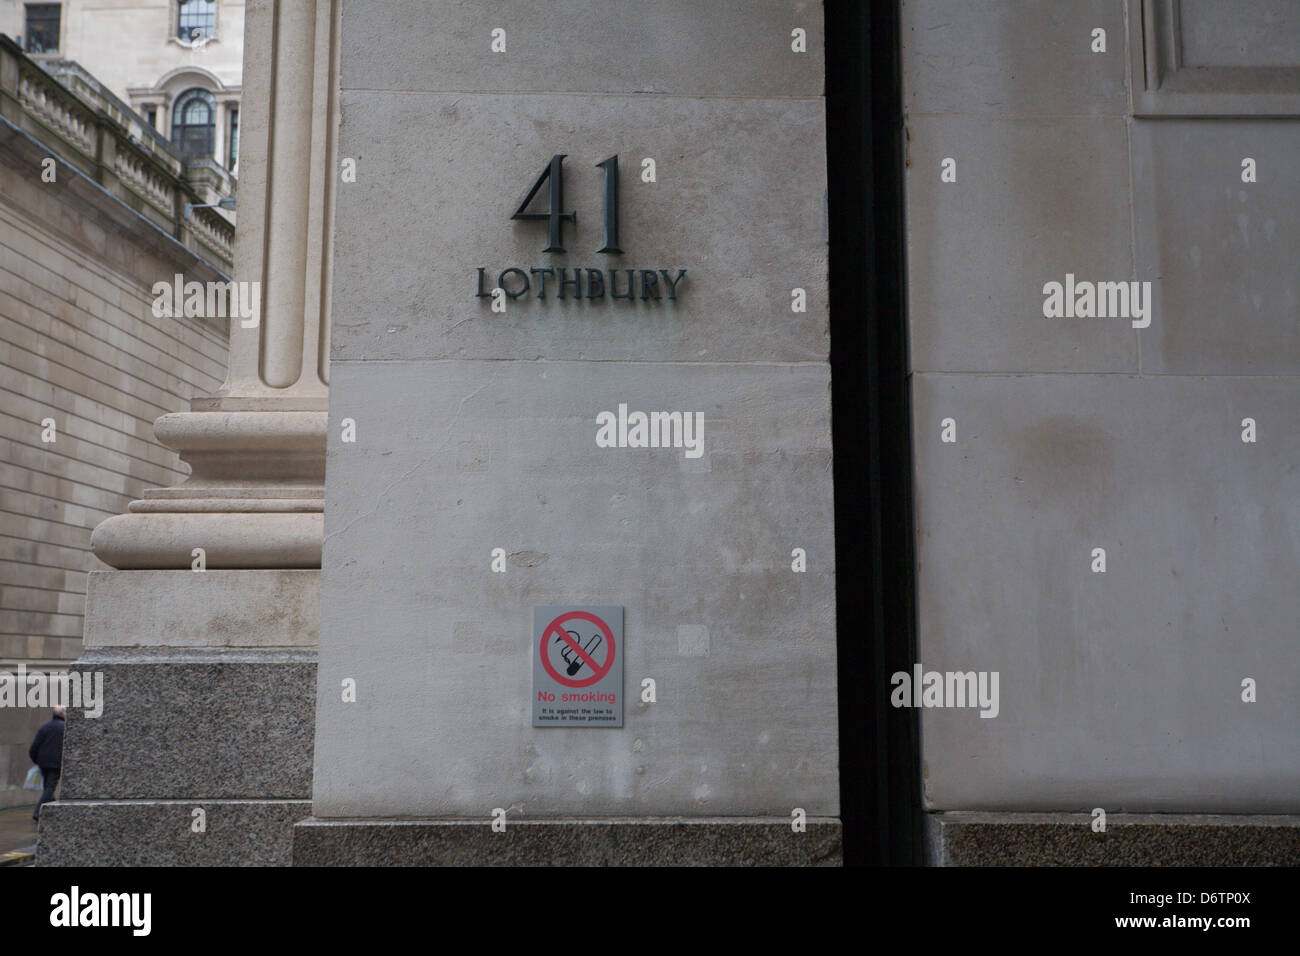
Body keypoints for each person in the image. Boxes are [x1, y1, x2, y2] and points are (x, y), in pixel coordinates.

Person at [28, 706, 66, 823]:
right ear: (63, 714)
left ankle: (50, 811)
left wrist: (38, 761)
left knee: (48, 787)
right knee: (50, 787)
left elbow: (33, 748)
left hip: (43, 763)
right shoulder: (64, 728)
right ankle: (38, 812)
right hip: (55, 763)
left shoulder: (45, 727)